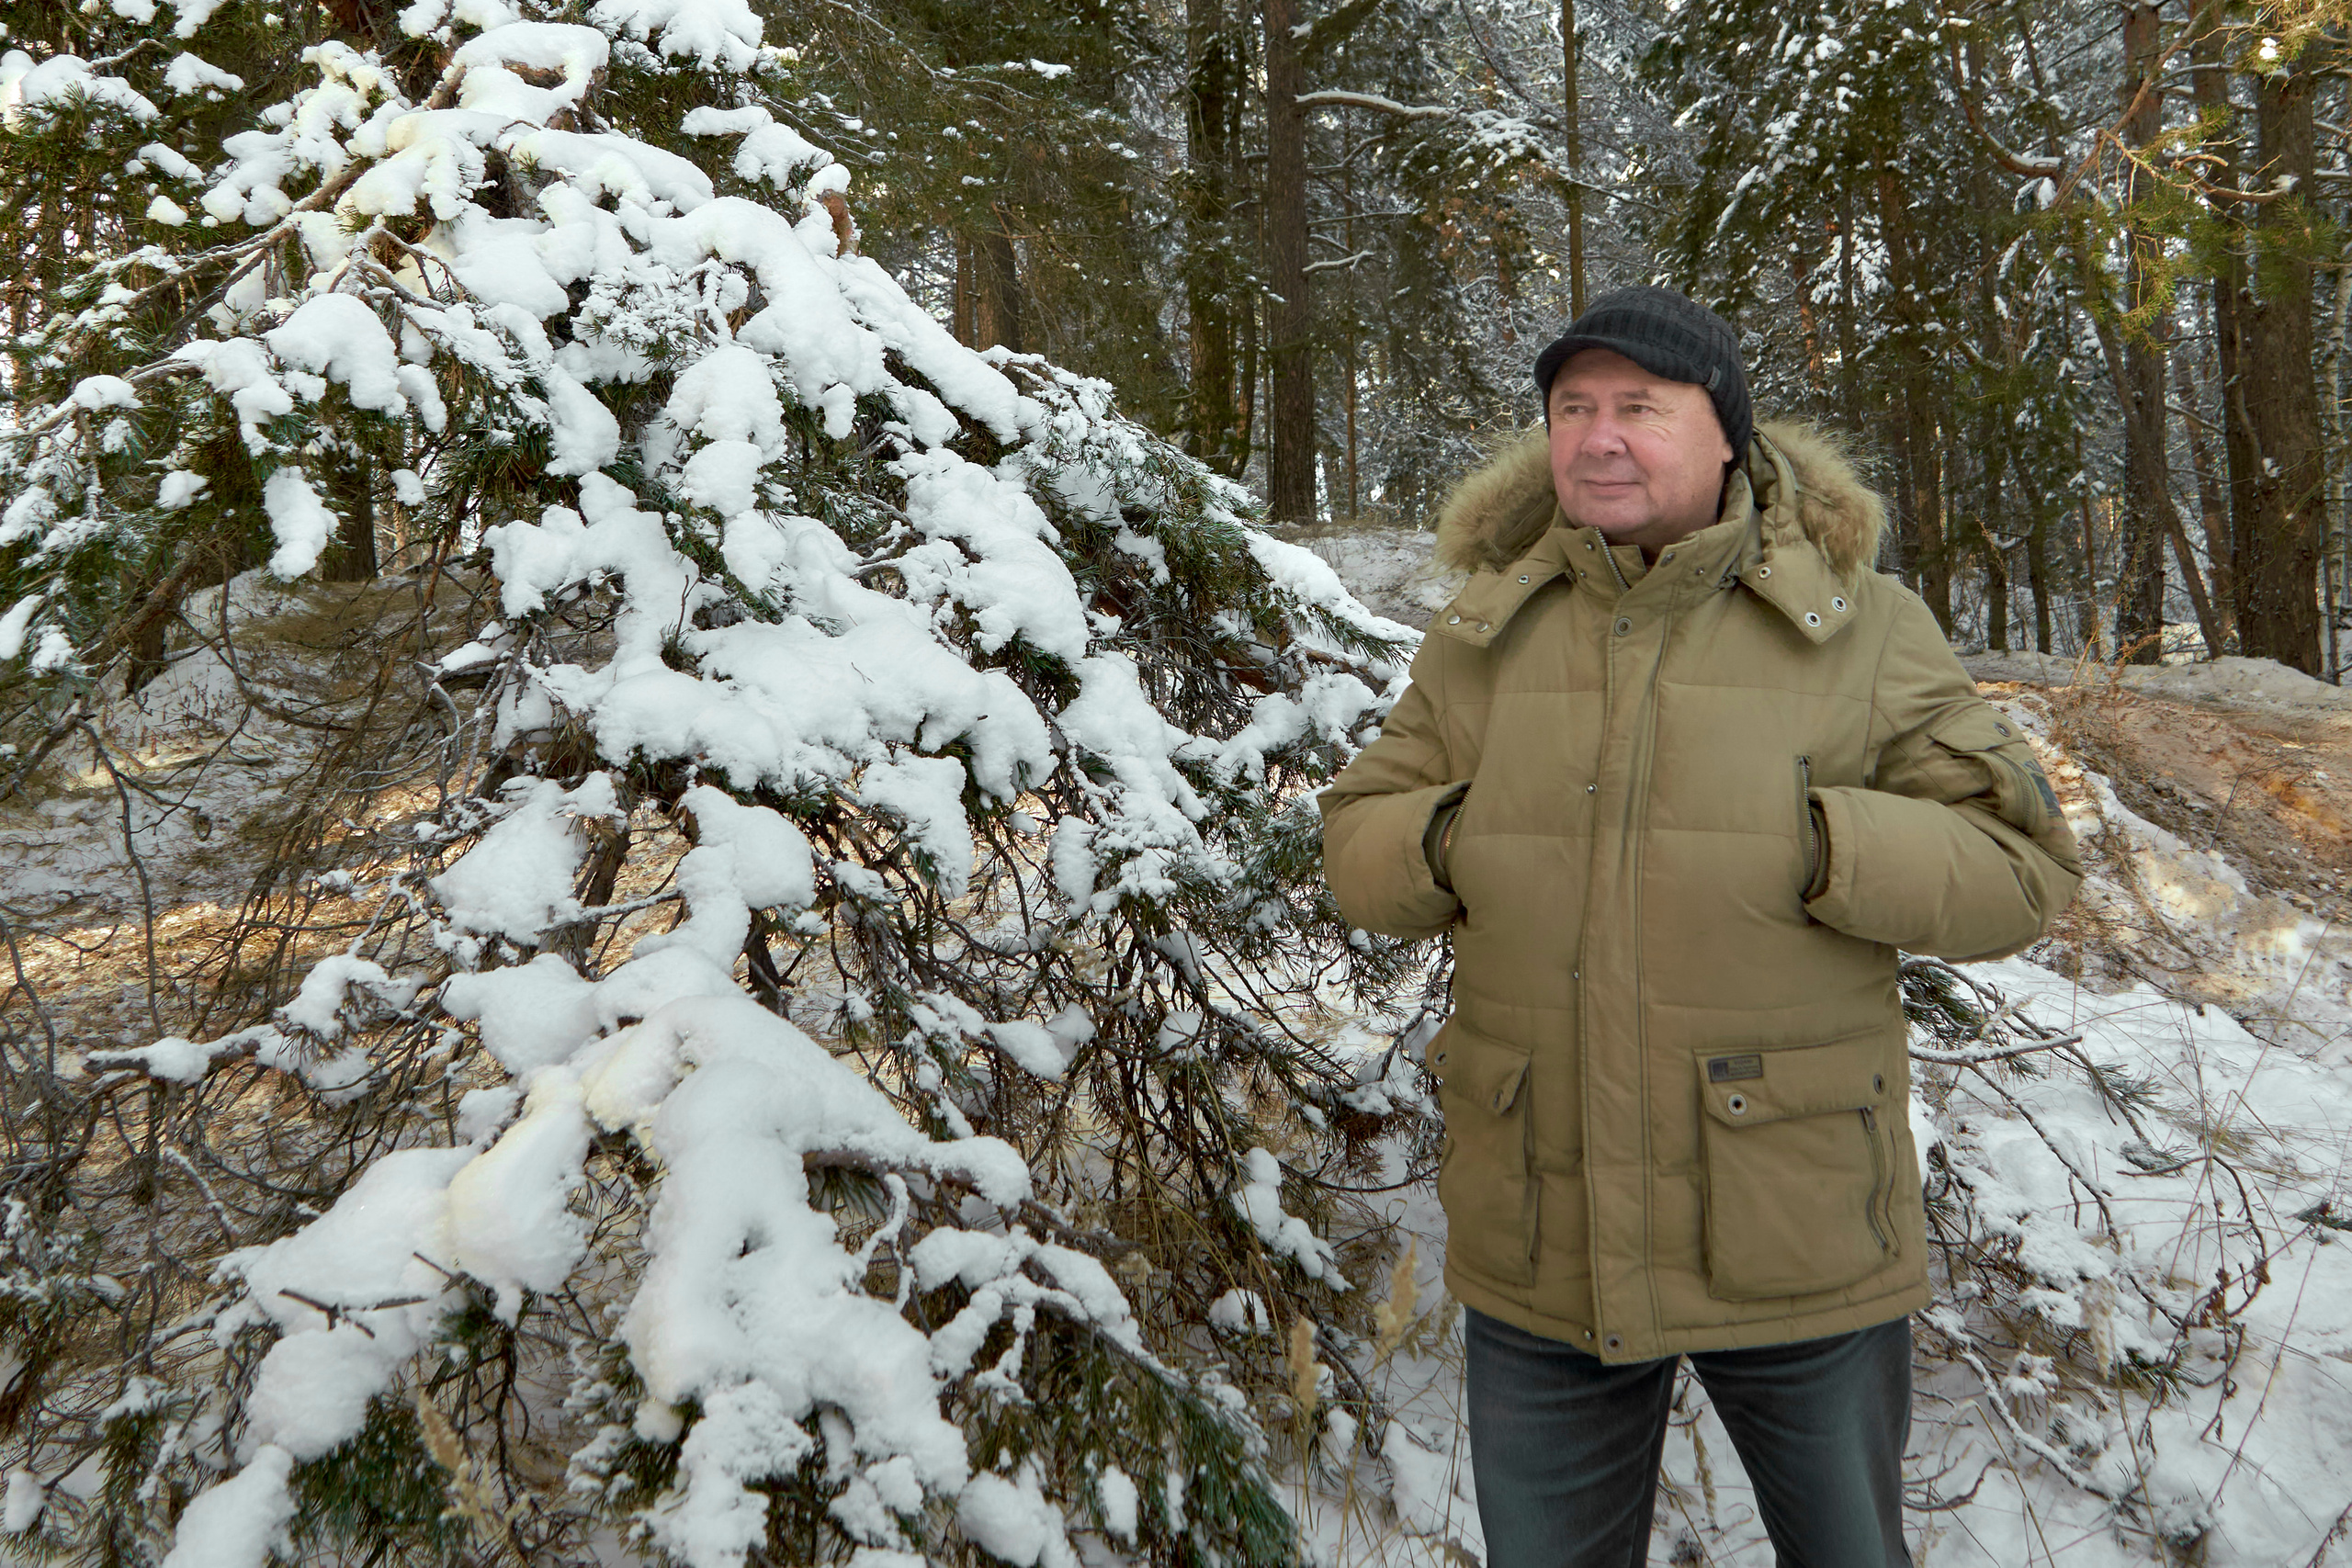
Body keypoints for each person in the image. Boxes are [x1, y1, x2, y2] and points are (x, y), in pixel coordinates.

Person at [1317, 286, 2081, 1568]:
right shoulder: (1484, 634)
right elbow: (1359, 844)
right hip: (1543, 1234)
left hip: (1793, 1225)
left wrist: (1827, 845)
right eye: (1573, 408)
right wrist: (1455, 837)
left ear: (1725, 432)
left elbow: (2021, 867)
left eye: (1639, 407)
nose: (1599, 438)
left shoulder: (1862, 625)